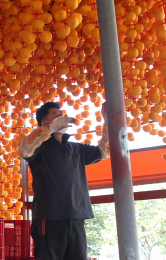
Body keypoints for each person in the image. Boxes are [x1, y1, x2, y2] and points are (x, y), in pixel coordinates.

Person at [17, 101, 110, 260]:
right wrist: (48, 130)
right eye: (55, 114)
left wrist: (108, 121)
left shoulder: (77, 148)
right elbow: (23, 149)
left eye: (61, 114)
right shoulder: (40, 147)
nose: (61, 117)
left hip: (76, 216)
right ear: (43, 122)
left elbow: (105, 151)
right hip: (49, 217)